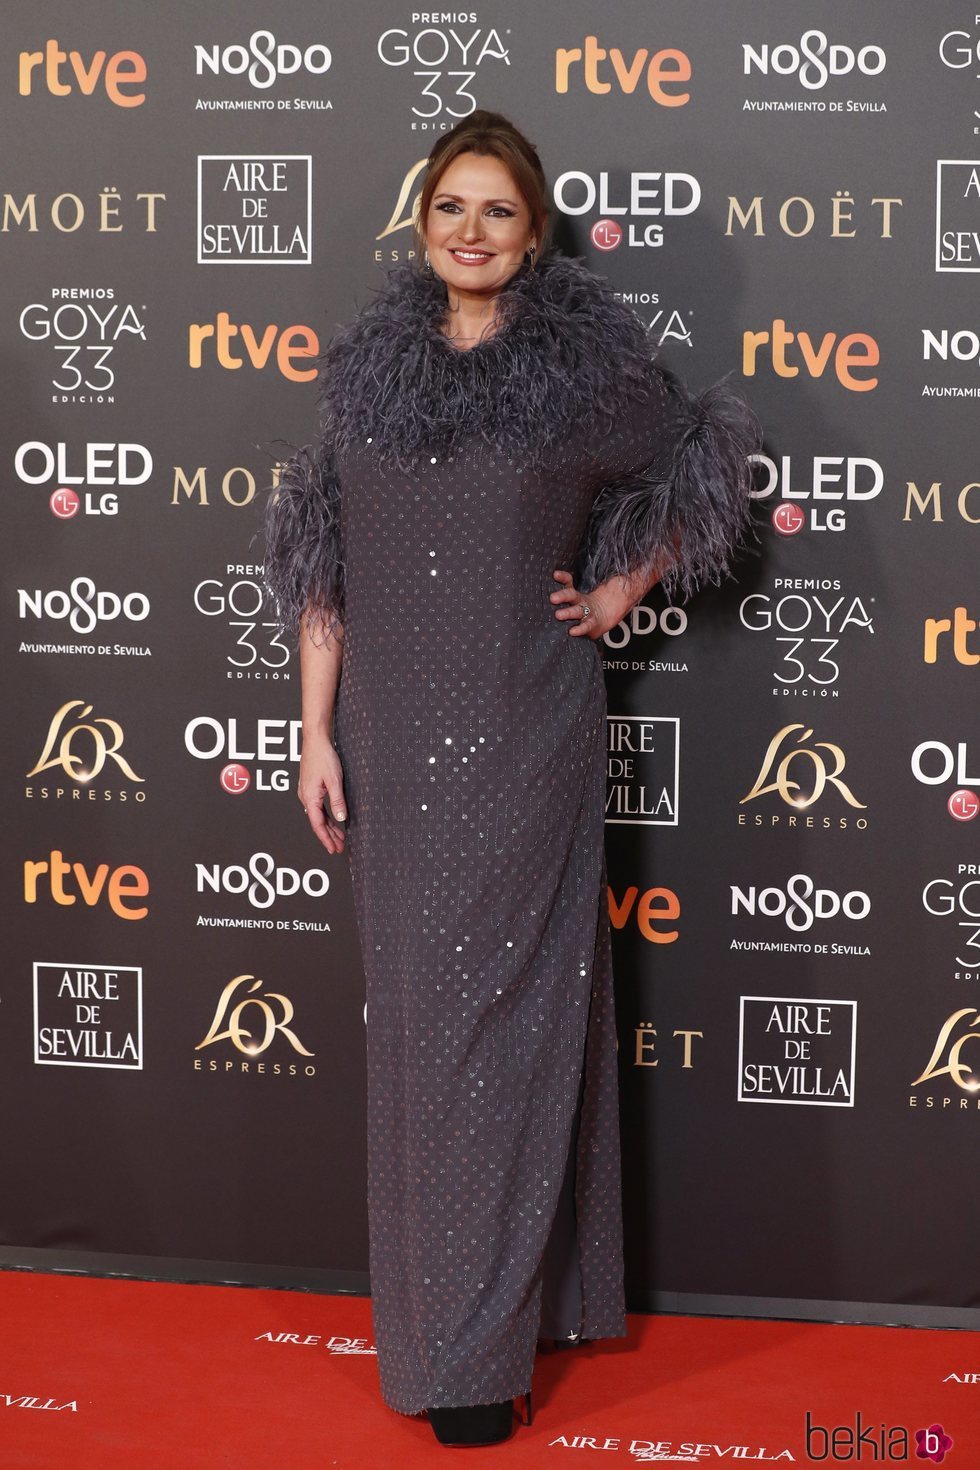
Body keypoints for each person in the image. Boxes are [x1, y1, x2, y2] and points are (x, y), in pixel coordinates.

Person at [262, 110, 762, 1448]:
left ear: (532, 234)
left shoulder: (589, 377)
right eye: (450, 208)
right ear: (420, 228)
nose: (470, 230)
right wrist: (314, 730)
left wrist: (618, 589)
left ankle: (477, 1356)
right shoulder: (367, 374)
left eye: (496, 210)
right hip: (388, 740)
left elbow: (701, 454)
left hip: (526, 738)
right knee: (425, 1036)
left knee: (503, 1027)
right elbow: (323, 559)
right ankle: (446, 1318)